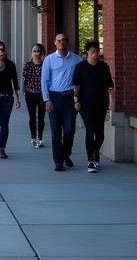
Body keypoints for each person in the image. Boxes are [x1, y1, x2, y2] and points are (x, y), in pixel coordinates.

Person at [41, 33, 84, 171]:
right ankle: (58, 161)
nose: (61, 42)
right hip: (54, 97)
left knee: (70, 130)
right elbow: (44, 81)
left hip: (69, 98)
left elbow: (86, 70)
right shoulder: (49, 59)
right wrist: (46, 99)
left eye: (64, 40)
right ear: (54, 42)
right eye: (59, 40)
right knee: (55, 131)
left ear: (67, 42)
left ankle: (66, 154)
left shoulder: (76, 59)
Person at [73, 40, 115, 173]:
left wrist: (110, 105)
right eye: (93, 52)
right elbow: (77, 85)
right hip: (85, 103)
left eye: (97, 52)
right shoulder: (81, 67)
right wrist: (75, 100)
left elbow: (110, 87)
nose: (96, 54)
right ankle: (90, 160)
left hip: (101, 103)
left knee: (100, 132)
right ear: (88, 53)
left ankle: (96, 152)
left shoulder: (103, 67)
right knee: (91, 130)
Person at [22, 42, 46, 148]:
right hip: (30, 94)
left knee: (41, 117)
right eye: (34, 51)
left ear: (42, 53)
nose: (36, 53)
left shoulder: (45, 65)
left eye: (38, 51)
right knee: (32, 117)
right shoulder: (27, 65)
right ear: (32, 53)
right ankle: (33, 138)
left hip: (42, 94)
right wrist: (23, 92)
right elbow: (24, 79)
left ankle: (40, 138)